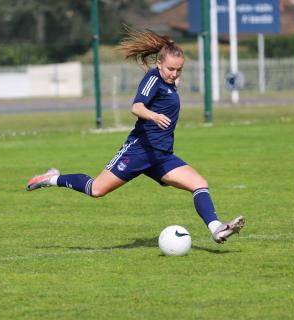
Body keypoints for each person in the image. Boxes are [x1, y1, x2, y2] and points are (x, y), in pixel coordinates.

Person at [26, 29, 244, 244]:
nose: (175, 74)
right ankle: (51, 179)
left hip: (161, 156)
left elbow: (171, 73)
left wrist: (171, 69)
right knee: (96, 190)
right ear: (159, 64)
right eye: (170, 69)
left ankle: (217, 229)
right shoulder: (153, 79)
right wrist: (154, 116)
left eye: (179, 70)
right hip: (138, 151)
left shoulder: (170, 82)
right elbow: (136, 107)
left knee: (199, 183)